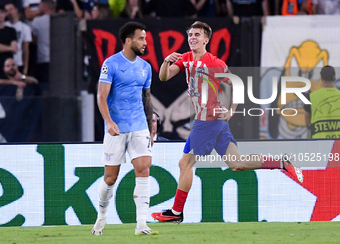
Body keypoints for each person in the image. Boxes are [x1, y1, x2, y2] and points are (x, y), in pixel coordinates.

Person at [151, 21, 303, 224]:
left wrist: (232, 110)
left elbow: (237, 83)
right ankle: (282, 162)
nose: (192, 38)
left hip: (207, 121)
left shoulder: (214, 63)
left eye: (197, 34)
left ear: (206, 39)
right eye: (190, 34)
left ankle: (176, 213)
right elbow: (164, 77)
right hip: (215, 123)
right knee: (237, 164)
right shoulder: (185, 58)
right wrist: (165, 62)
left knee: (185, 163)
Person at [91, 21, 158, 236]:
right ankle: (101, 217)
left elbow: (146, 98)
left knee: (144, 168)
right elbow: (101, 96)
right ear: (128, 40)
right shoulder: (110, 64)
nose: (145, 43)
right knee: (110, 178)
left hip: (139, 126)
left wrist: (151, 125)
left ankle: (141, 224)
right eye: (141, 38)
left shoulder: (145, 67)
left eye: (145, 38)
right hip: (116, 128)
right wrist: (109, 122)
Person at [304, 65, 340, 139]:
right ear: (334, 78)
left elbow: (307, 119)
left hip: (319, 142)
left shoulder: (311, 96)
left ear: (321, 79)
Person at [31, 0, 56, 84]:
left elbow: (34, 40)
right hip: (59, 60)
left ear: (45, 7)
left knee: (44, 85)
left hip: (43, 58)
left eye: (39, 6)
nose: (38, 8)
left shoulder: (37, 21)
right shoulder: (60, 20)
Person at [5, 3, 32, 76]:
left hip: (18, 62)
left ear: (16, 10)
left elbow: (25, 48)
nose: (10, 12)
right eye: (7, 10)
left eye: (11, 9)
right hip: (5, 62)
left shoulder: (25, 28)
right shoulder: (4, 26)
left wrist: (25, 67)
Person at [0, 5, 17, 79]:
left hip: (9, 67)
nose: (0, 15)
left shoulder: (11, 30)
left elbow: (15, 49)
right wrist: (10, 48)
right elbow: (12, 48)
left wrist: (3, 47)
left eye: (2, 12)